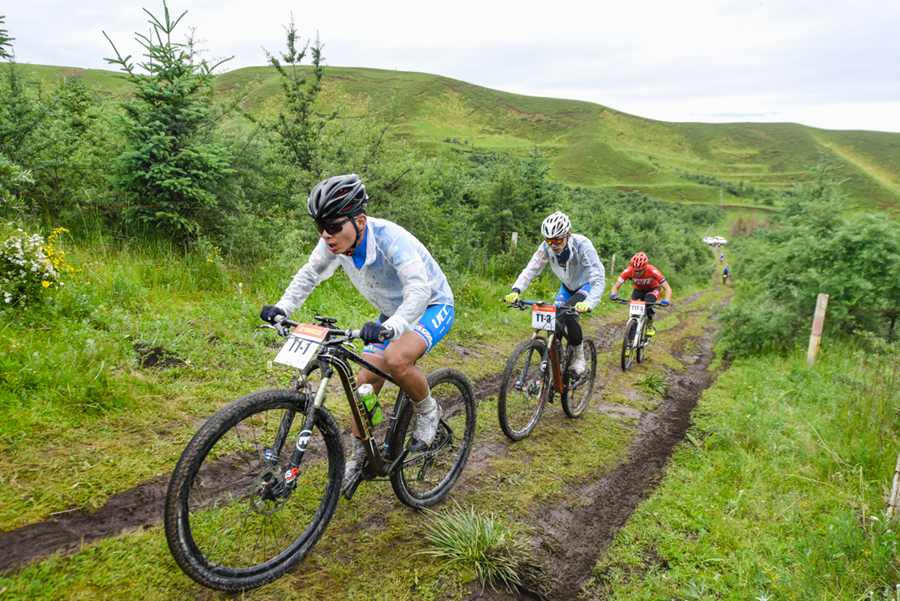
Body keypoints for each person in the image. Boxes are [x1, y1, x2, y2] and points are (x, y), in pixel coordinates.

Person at [259, 174, 455, 491]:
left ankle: (428, 410)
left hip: (432, 303)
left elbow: (418, 289)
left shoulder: (391, 239)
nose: (326, 234)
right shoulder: (333, 244)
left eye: (334, 226)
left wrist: (391, 327)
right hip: (393, 312)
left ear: (359, 220)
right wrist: (283, 308)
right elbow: (310, 273)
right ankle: (359, 456)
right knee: (363, 384)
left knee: (395, 358)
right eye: (320, 226)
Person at [504, 211, 605, 374]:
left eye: (558, 240)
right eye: (549, 240)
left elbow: (598, 280)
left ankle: (580, 358)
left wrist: (588, 303)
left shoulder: (583, 245)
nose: (553, 245)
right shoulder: (546, 247)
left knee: (570, 315)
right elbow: (531, 269)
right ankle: (559, 357)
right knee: (555, 319)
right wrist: (516, 290)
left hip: (586, 285)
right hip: (566, 285)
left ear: (568, 235)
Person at [608, 252, 673, 336]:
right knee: (632, 312)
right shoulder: (628, 271)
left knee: (649, 303)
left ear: (645, 268)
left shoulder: (653, 271)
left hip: (653, 289)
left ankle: (650, 325)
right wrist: (614, 294)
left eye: (639, 271)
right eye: (635, 271)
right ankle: (630, 338)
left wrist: (666, 300)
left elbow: (668, 288)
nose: (637, 273)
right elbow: (615, 287)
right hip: (638, 290)